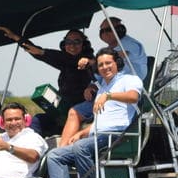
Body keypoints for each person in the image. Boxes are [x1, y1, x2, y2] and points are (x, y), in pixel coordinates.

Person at [39, 48, 142, 178]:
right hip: (98, 136)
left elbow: (133, 97)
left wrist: (109, 96)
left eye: (108, 63)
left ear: (117, 63)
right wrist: (81, 133)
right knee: (55, 155)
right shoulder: (102, 88)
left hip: (117, 136)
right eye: (101, 65)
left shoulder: (129, 79)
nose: (105, 67)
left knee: (81, 147)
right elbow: (100, 122)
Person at [61, 17, 148, 146]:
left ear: (120, 30)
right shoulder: (106, 52)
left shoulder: (131, 45)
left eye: (108, 30)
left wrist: (91, 62)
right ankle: (63, 149)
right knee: (74, 111)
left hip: (123, 97)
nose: (104, 33)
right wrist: (91, 87)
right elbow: (100, 78)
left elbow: (119, 56)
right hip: (104, 96)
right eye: (101, 31)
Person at [0, 26, 95, 136]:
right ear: (64, 44)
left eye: (77, 42)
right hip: (61, 112)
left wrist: (88, 62)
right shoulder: (65, 61)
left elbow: (93, 64)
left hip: (80, 113)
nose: (72, 45)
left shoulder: (88, 62)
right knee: (37, 120)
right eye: (68, 42)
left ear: (84, 45)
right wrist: (16, 38)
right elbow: (37, 52)